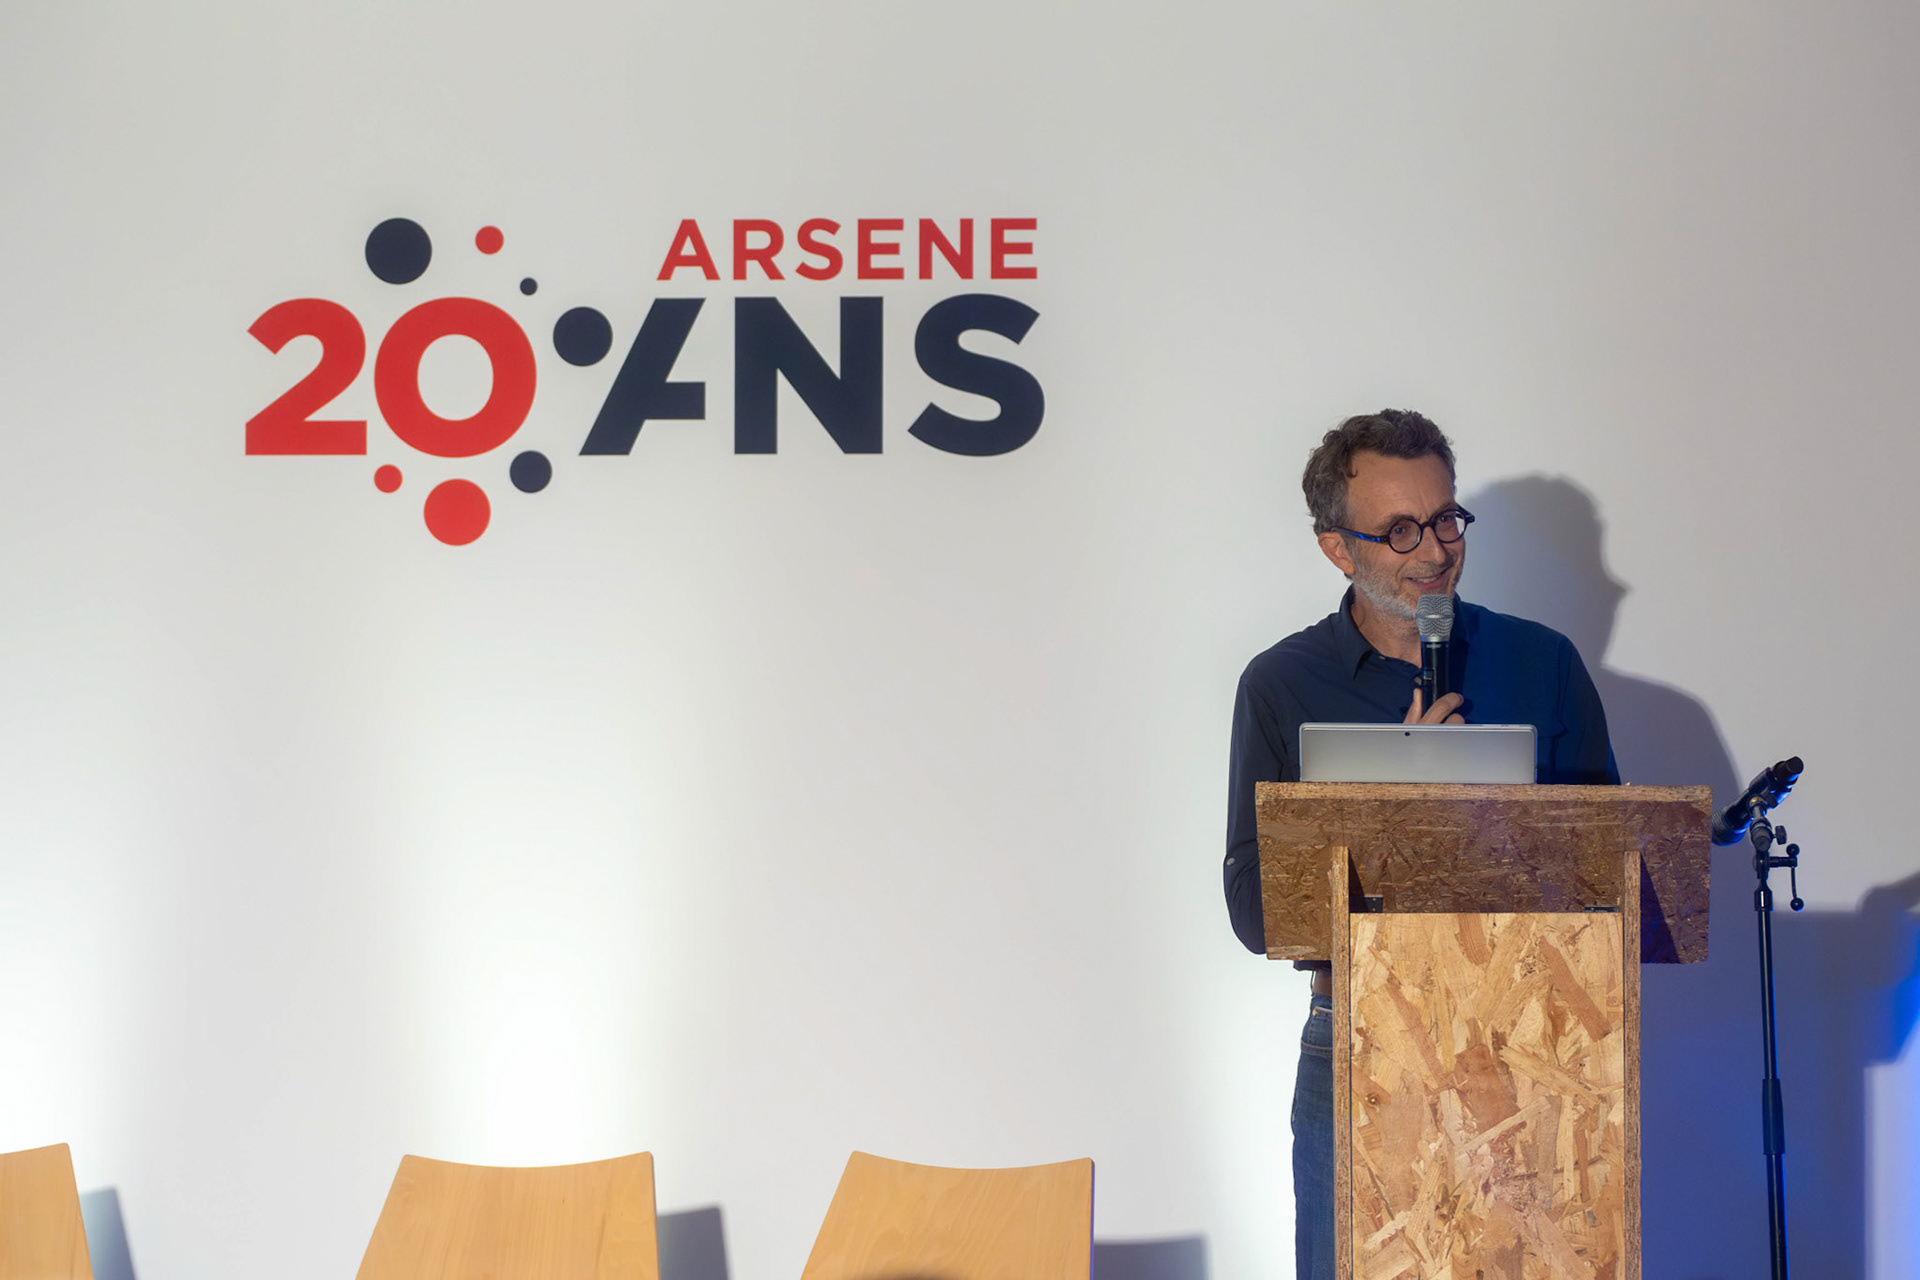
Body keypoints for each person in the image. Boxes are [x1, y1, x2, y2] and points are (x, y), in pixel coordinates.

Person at [1223, 409, 1617, 1280]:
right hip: (1356, 1037)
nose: (1435, 551)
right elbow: (1255, 912)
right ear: (1338, 548)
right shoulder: (1282, 683)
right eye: (1400, 530)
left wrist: (1478, 821)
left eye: (1446, 519)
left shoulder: (1543, 662)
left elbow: (1609, 879)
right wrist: (1396, 811)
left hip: (1532, 1048)